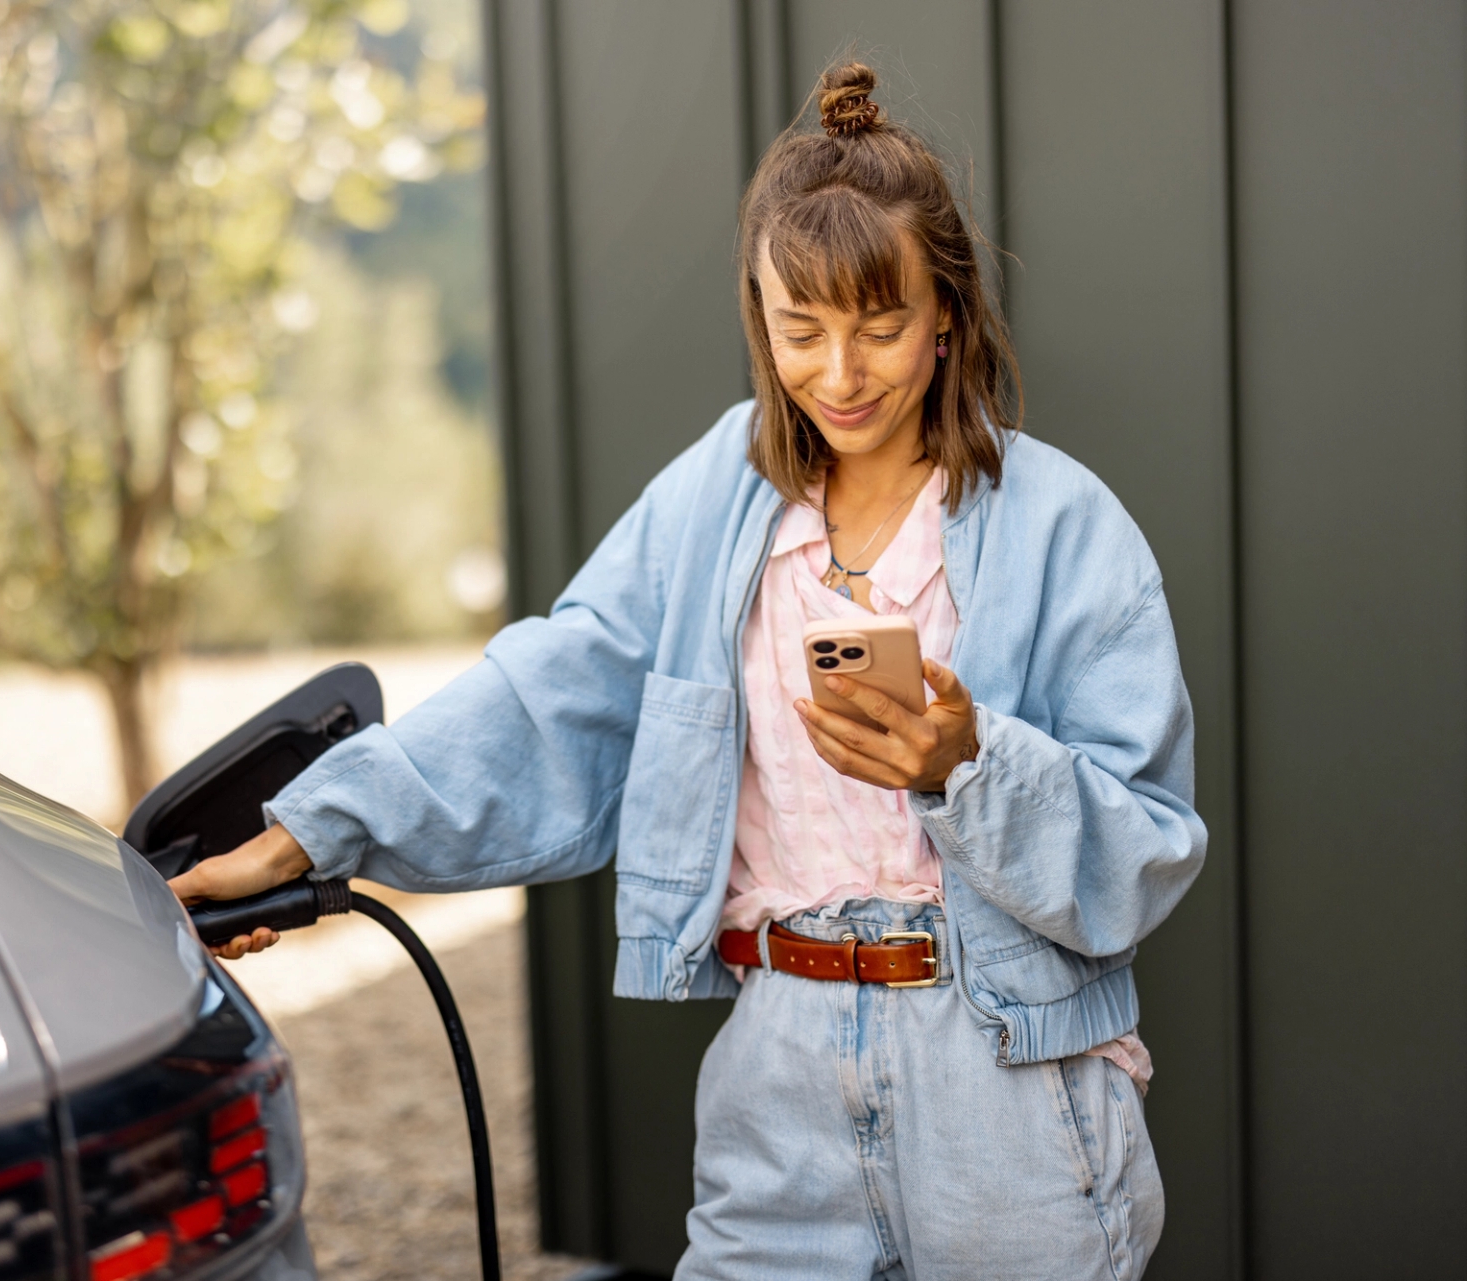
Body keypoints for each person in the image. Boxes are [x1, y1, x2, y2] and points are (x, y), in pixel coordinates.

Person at [175, 60, 1203, 1281]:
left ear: (947, 314)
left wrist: (974, 765)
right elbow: (555, 691)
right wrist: (310, 831)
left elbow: (1147, 847)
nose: (840, 372)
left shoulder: (1069, 526)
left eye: (880, 327)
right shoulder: (719, 500)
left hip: (1009, 1088)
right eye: (799, 330)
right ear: (759, 320)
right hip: (779, 1079)